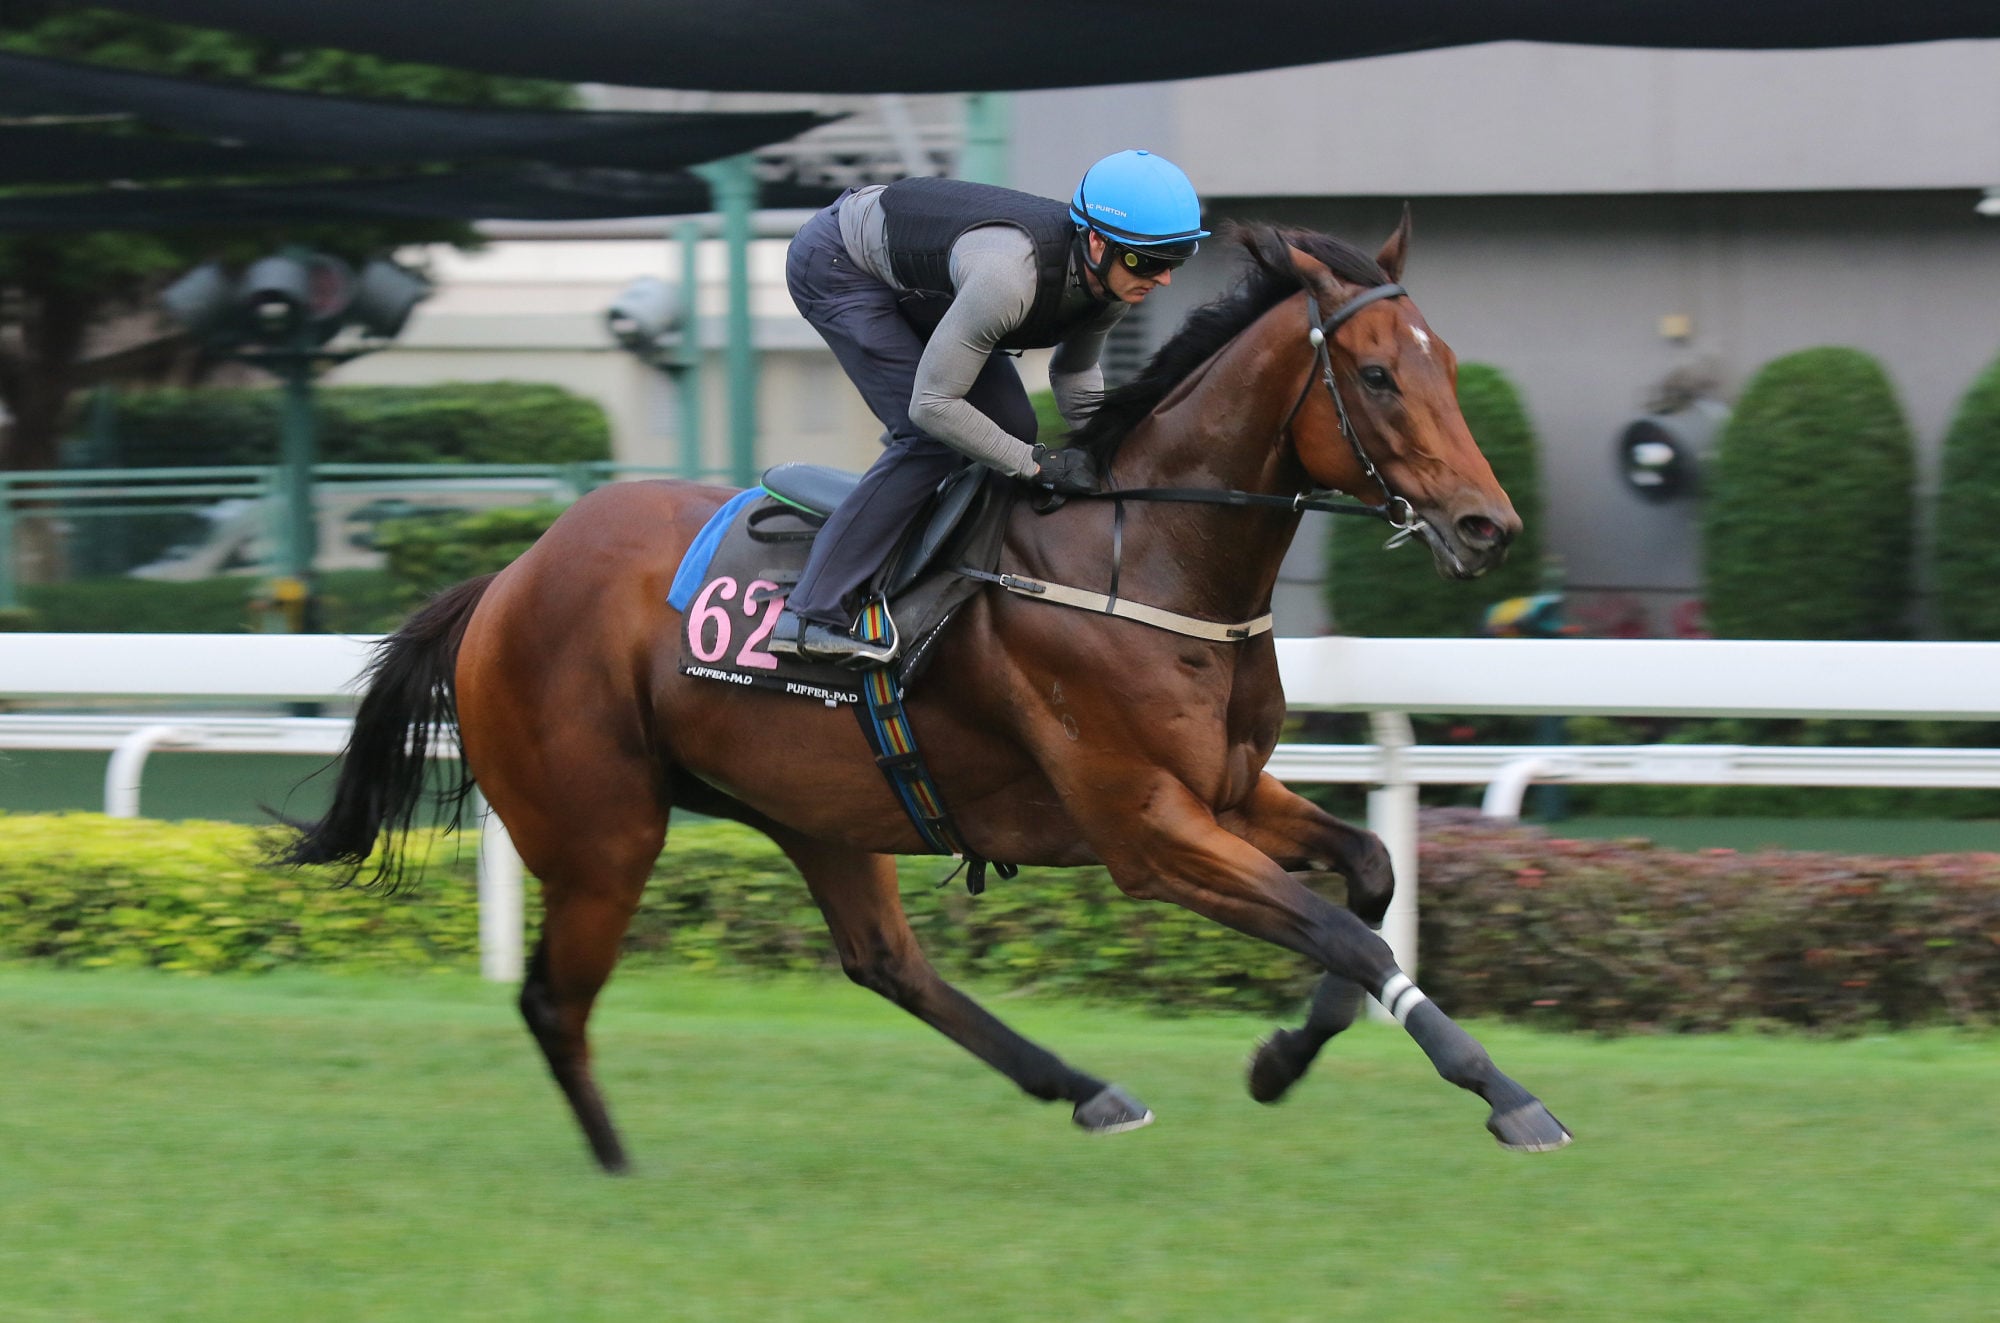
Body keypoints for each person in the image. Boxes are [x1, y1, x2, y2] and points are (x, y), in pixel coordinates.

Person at [767, 148, 1208, 665]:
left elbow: (1074, 374)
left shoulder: (1110, 283)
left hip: (921, 275)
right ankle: (809, 616)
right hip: (841, 263)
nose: (1163, 279)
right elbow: (933, 405)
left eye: (1176, 260)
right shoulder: (1008, 279)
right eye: (1148, 261)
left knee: (1011, 428)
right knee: (931, 438)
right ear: (1095, 241)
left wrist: (1116, 458)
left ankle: (927, 544)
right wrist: (1036, 464)